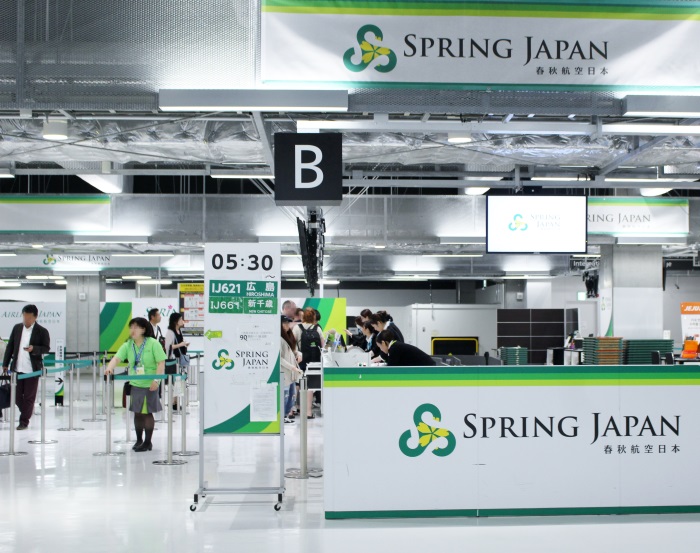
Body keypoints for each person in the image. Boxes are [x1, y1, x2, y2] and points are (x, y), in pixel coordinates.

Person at [105, 317, 166, 452]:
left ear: (143, 329)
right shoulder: (128, 345)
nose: (133, 330)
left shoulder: (153, 343)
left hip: (150, 384)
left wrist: (156, 381)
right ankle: (139, 440)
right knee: (137, 413)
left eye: (136, 327)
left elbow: (161, 362)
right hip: (135, 384)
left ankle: (148, 442)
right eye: (131, 327)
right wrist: (110, 368)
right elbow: (116, 358)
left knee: (147, 413)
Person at [2, 305, 51, 430]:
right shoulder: (17, 328)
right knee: (16, 396)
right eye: (24, 317)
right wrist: (5, 364)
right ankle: (26, 411)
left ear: (35, 317)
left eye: (29, 318)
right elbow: (10, 347)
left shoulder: (42, 331)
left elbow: (46, 348)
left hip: (32, 370)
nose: (26, 320)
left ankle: (24, 421)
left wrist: (34, 349)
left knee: (29, 396)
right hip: (17, 368)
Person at [293, 307, 324, 419]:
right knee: (310, 385)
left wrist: (297, 354)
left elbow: (292, 344)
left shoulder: (297, 327)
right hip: (313, 360)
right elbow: (323, 345)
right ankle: (308, 412)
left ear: (303, 317)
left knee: (297, 384)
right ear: (314, 317)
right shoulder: (317, 328)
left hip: (300, 359)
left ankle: (293, 410)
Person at [165, 312, 190, 411]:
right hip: (173, 360)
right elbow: (168, 347)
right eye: (180, 319)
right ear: (176, 321)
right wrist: (180, 345)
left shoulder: (179, 331)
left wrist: (184, 345)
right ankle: (173, 403)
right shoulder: (170, 332)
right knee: (174, 382)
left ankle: (176, 402)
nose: (182, 321)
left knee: (179, 382)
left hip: (180, 359)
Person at [281, 316, 303, 424]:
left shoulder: (289, 336)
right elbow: (279, 358)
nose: (287, 325)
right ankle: (282, 417)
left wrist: (299, 354)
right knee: (285, 395)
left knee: (291, 395)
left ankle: (285, 416)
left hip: (291, 372)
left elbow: (294, 350)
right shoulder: (278, 338)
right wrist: (292, 366)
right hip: (284, 372)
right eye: (285, 323)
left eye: (288, 323)